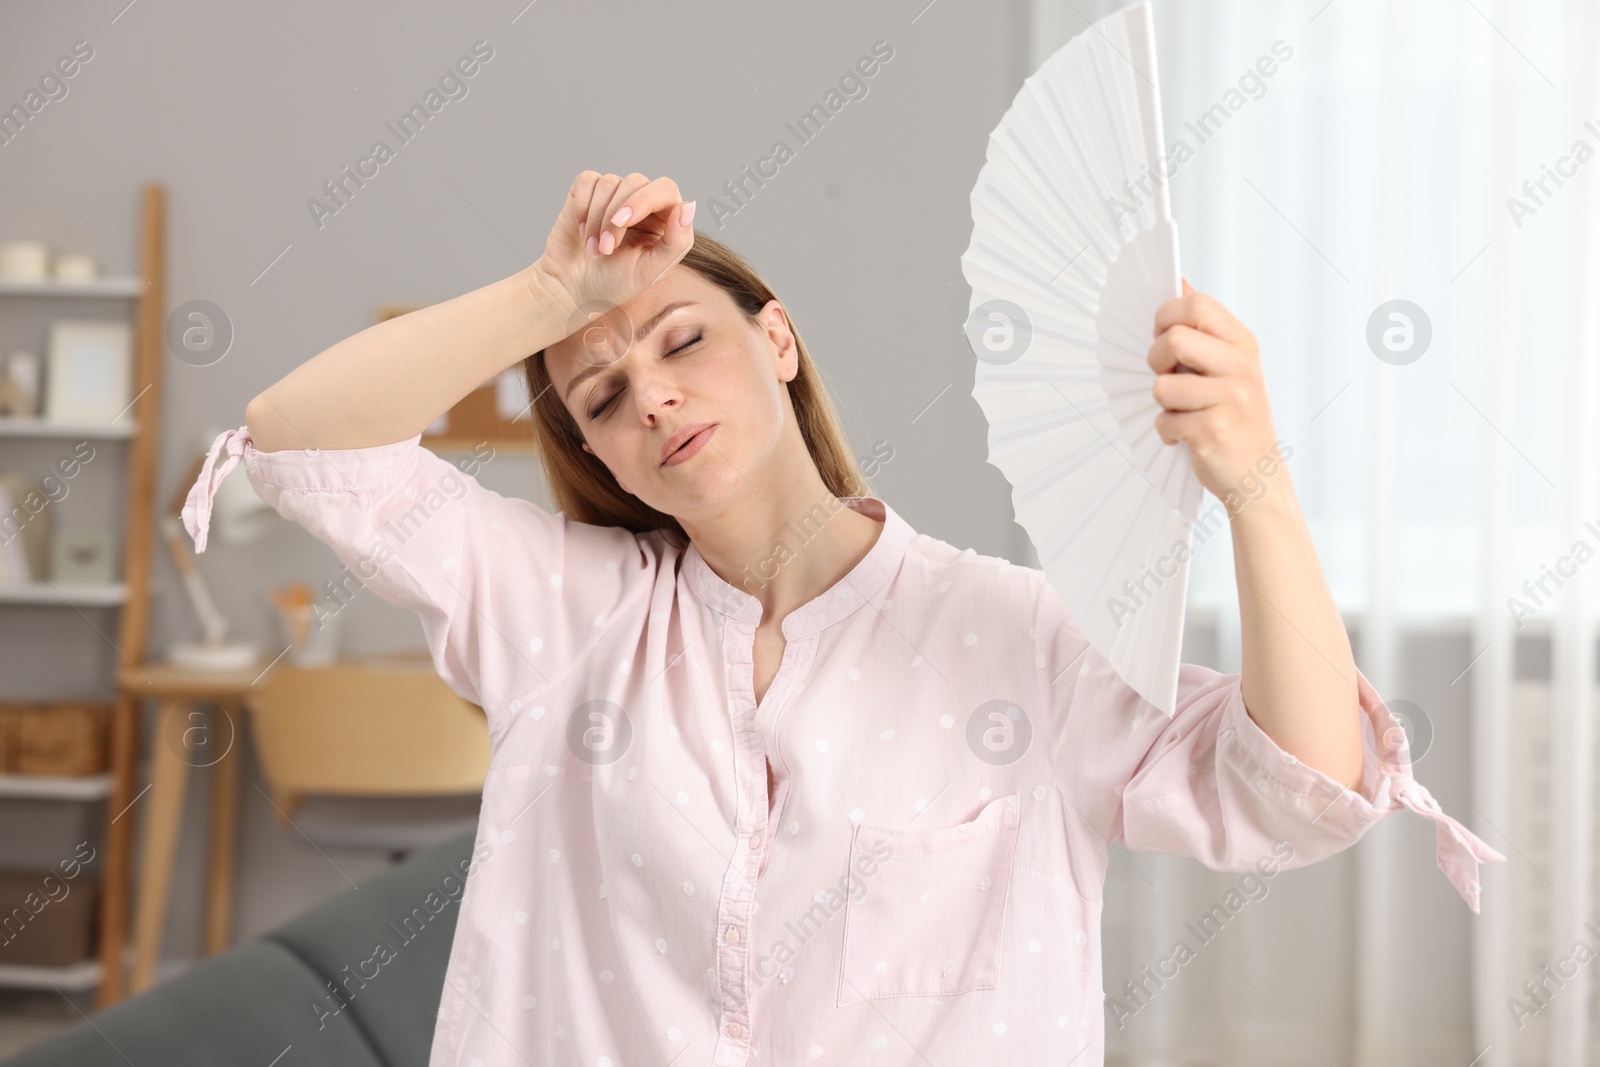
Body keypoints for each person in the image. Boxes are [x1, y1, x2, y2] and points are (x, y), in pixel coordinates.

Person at [182, 171, 1502, 1065]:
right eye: (598, 392)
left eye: (682, 342)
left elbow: (1300, 786)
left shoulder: (1013, 634)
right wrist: (550, 297)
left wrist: (1256, 487)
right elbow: (306, 444)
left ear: (780, 341)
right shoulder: (563, 615)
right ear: (602, 454)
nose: (646, 395)